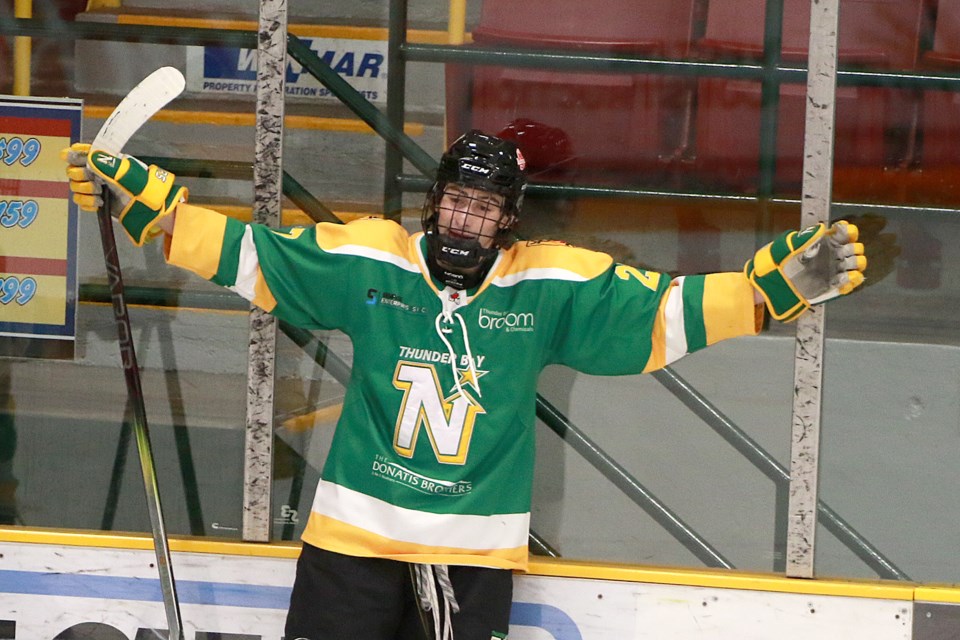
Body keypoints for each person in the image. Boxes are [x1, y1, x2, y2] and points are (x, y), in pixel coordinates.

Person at [63, 130, 866, 640]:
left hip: (470, 557)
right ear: (433, 203)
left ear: (510, 219)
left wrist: (765, 293)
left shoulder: (548, 283)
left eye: (485, 210)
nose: (465, 223)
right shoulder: (374, 258)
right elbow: (259, 257)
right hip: (352, 546)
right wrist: (155, 214)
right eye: (456, 203)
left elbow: (657, 315)